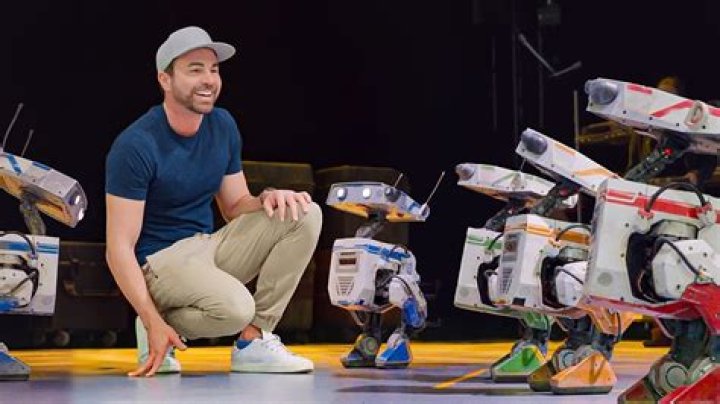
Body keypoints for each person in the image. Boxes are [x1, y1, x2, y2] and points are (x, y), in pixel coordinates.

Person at [105, 26, 322, 377]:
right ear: (165, 79)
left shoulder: (222, 125)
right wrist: (148, 313)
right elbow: (118, 248)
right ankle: (153, 325)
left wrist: (269, 197)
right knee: (237, 309)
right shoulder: (135, 145)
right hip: (160, 262)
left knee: (304, 213)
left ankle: (254, 341)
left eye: (214, 69)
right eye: (195, 69)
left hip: (207, 247)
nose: (208, 79)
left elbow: (235, 206)